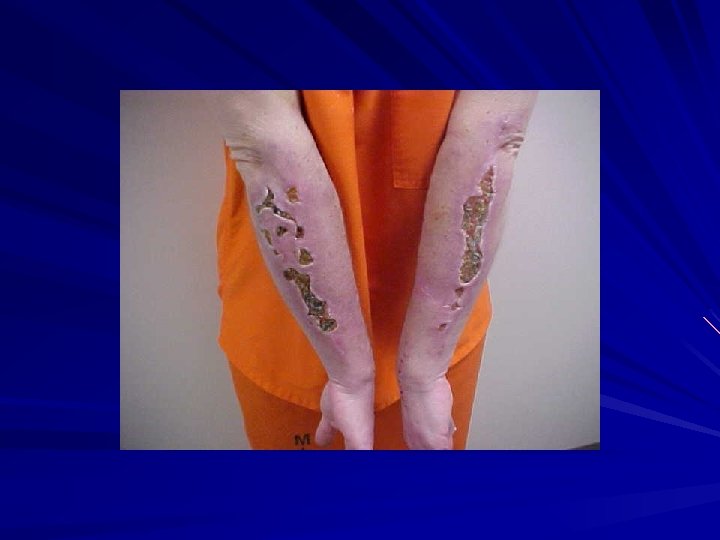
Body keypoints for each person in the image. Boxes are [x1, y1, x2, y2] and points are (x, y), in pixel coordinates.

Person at [213, 90, 537, 449]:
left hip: (314, 321)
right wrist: (424, 376)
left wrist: (358, 379)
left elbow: (266, 149)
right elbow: (495, 134)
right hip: (423, 330)